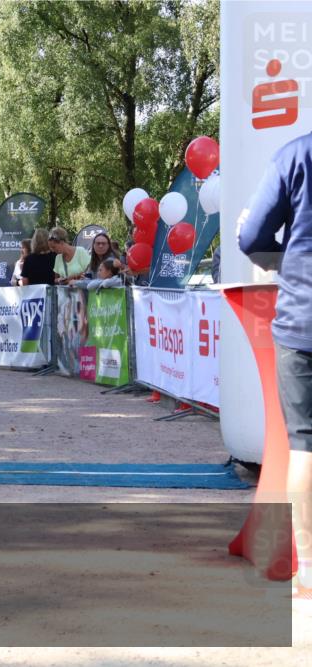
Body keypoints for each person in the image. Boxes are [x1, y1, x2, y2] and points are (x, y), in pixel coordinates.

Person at [238, 131, 312, 599]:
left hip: (303, 320)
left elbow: (251, 237)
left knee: (305, 446)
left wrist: (289, 262)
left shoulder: (295, 154)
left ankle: (307, 569)